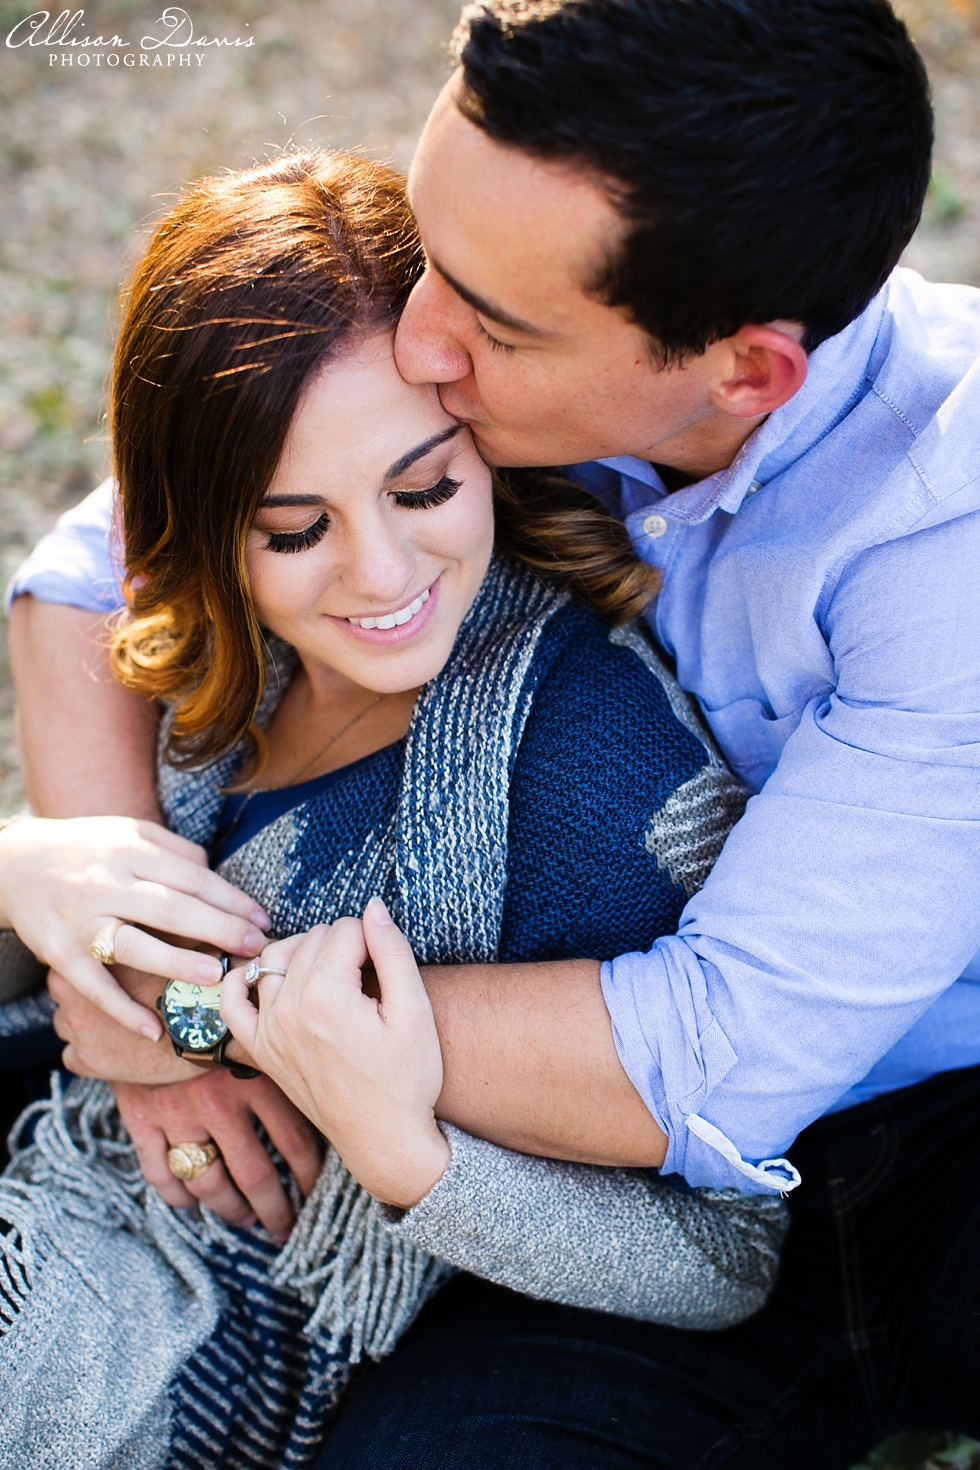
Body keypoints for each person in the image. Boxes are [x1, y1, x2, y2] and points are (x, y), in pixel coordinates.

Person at [7, 0, 980, 1463]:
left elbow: (702, 1061)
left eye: (489, 323)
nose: (421, 336)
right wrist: (94, 871)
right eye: (433, 254)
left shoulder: (947, 544)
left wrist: (191, 1008)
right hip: (516, 1096)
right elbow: (118, 553)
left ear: (745, 374)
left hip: (903, 1145)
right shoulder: (503, 317)